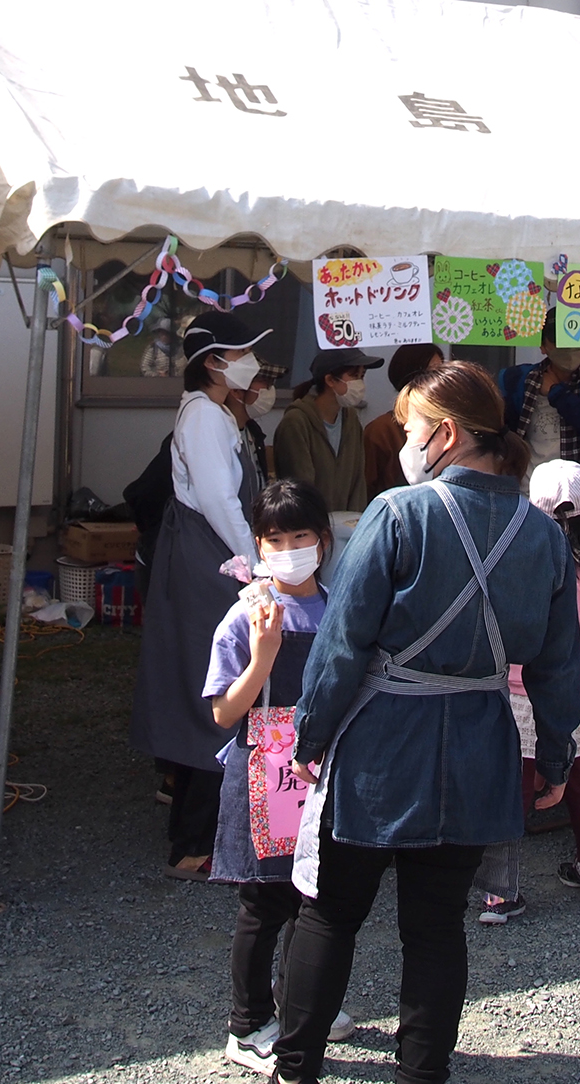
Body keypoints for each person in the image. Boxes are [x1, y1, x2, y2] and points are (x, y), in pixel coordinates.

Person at [274, 363, 580, 1084]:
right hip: (478, 743)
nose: (405, 439)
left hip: (382, 744)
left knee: (329, 913)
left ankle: (294, 1071)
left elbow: (342, 644)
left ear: (444, 433)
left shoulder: (397, 514)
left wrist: (309, 737)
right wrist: (558, 757)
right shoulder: (543, 536)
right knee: (436, 927)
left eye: (411, 426)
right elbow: (558, 669)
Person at [203, 480, 356, 1072]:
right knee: (263, 901)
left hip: (322, 771)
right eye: (274, 539)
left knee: (314, 896)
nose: (289, 548)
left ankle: (301, 1002)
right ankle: (246, 1026)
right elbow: (222, 712)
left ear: (323, 540)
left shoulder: (342, 603)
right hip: (265, 770)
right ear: (259, 547)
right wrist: (263, 655)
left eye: (301, 536)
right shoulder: (248, 615)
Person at [131, 311, 272, 879]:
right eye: (243, 353)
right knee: (214, 689)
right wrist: (259, 566)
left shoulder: (213, 414)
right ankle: (192, 843)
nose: (254, 364)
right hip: (210, 559)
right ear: (213, 362)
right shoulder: (205, 419)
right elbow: (221, 502)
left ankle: (199, 835)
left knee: (211, 686)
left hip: (207, 556)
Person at [472, 459, 580, 922]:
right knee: (579, 783)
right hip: (578, 693)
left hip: (518, 689)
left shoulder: (510, 554)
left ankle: (501, 894)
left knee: (515, 789)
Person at [500, 312, 580, 524]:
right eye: (559, 340)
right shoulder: (520, 381)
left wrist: (557, 393)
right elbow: (504, 434)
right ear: (543, 346)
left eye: (575, 337)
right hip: (528, 498)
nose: (568, 348)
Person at [274, 350, 383, 514]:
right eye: (354, 375)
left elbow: (358, 479)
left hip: (346, 526)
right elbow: (300, 486)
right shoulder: (297, 421)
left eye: (362, 375)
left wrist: (355, 522)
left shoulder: (351, 419)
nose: (360, 383)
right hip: (309, 525)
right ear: (330, 380)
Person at [362, 344, 444, 500]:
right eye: (432, 372)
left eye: (441, 371)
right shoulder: (380, 431)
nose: (439, 380)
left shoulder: (448, 425)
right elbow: (366, 487)